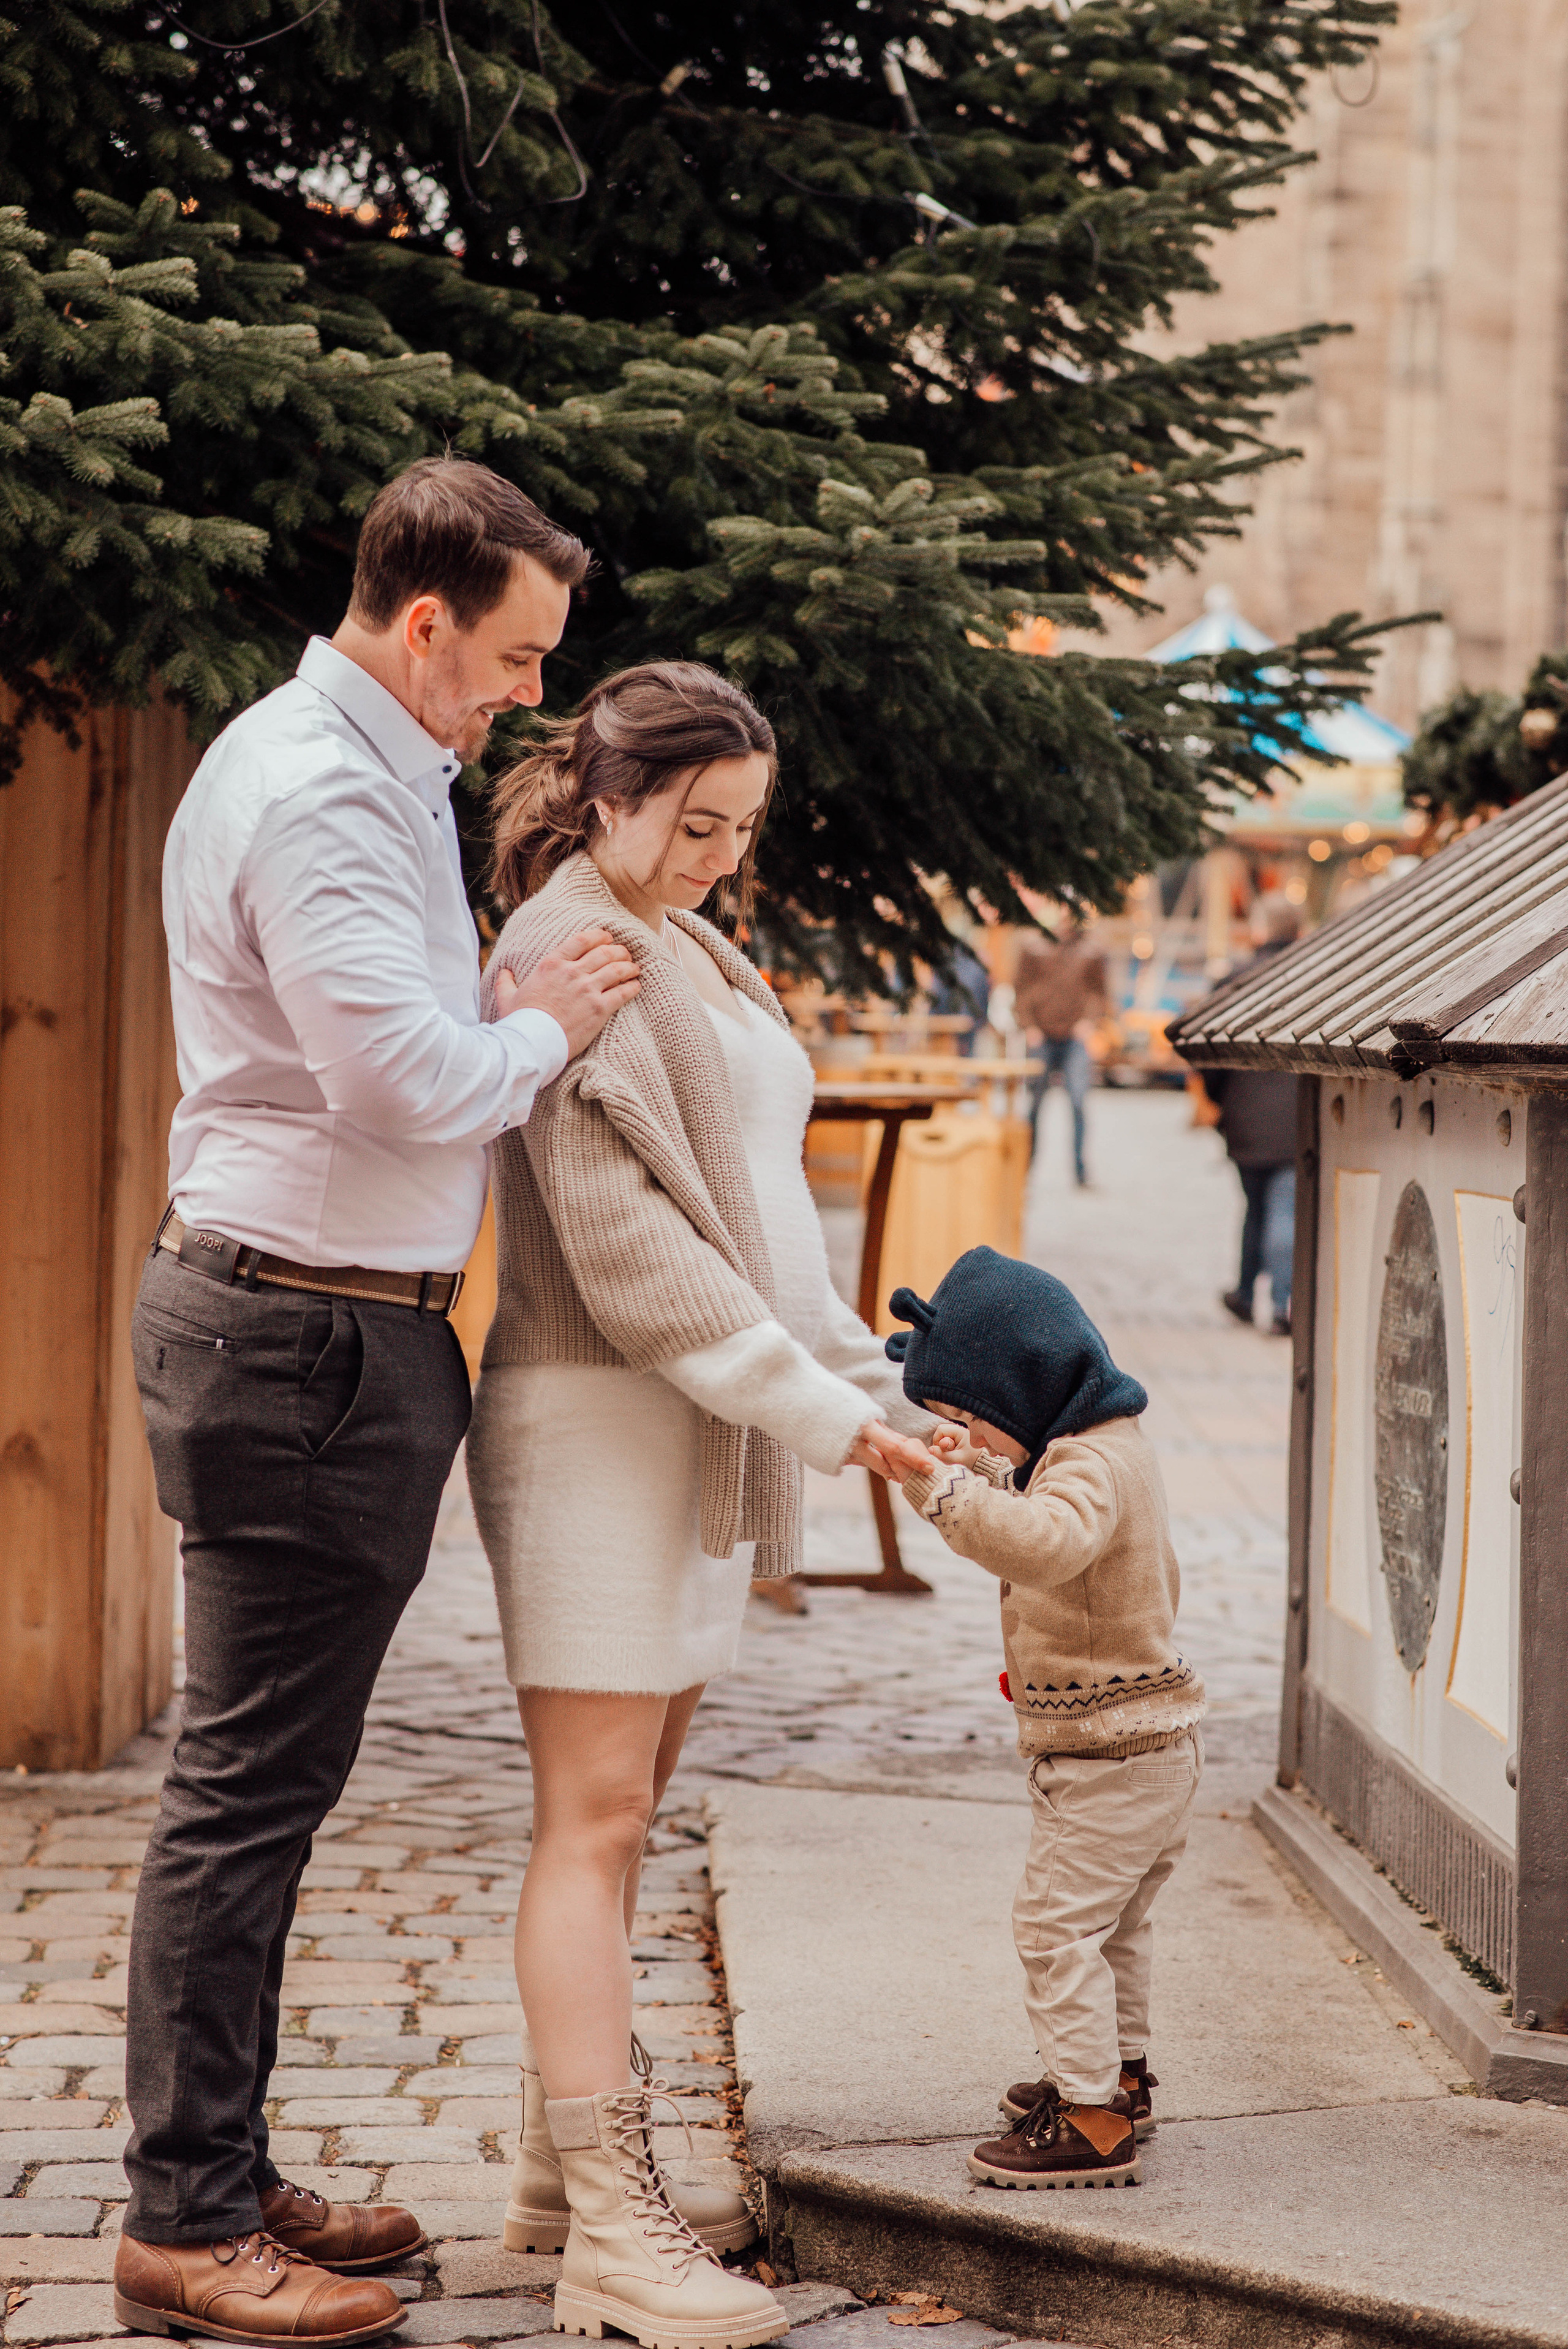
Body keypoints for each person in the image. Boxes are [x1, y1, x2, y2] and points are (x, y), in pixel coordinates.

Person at [115, 460, 643, 2349]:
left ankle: (223, 2170)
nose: (521, 696)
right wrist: (548, 1025)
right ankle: (183, 2223)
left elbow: (395, 1022)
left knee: (273, 1788)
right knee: (242, 1798)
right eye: (509, 658)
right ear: (422, 622)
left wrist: (500, 993)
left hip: (329, 1330)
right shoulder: (326, 785)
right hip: (302, 1341)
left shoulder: (369, 764)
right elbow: (406, 1081)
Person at [465, 660, 933, 2349]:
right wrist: (819, 1413)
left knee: (630, 1814)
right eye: (694, 820)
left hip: (701, 1423)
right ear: (606, 797)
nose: (721, 853)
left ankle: (548, 2176)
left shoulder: (697, 948)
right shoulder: (561, 947)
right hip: (598, 1415)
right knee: (590, 1820)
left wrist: (875, 1395)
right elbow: (631, 1253)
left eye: (743, 826)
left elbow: (763, 1226)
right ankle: (609, 2230)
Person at [883, 1247, 1206, 2190]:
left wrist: (941, 1489)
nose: (964, 1438)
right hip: (1150, 1744)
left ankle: (1094, 2114)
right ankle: (1122, 2075)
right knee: (1114, 1930)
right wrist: (977, 1464)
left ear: (1018, 1387)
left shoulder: (1083, 1468)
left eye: (967, 1418)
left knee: (1055, 1929)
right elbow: (1030, 1491)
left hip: (1109, 1756)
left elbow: (1044, 1543)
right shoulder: (1101, 1443)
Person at [1203, 894, 1302, 1336]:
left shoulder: (1233, 980)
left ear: (1260, 930)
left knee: (1256, 1207)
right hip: (1297, 1118)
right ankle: (1282, 1306)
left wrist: (1219, 1099)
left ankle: (1247, 1295)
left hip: (1244, 1116)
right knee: (1283, 1207)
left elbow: (1207, 1053)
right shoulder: (1315, 980)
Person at [1012, 918, 1107, 1180]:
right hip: (1040, 1037)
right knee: (1034, 1104)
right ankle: (1025, 1165)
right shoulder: (1032, 947)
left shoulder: (1092, 951)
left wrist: (1088, 1022)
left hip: (1074, 1039)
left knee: (1078, 1102)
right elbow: (1020, 989)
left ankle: (1080, 1169)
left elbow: (1099, 992)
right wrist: (1028, 1026)